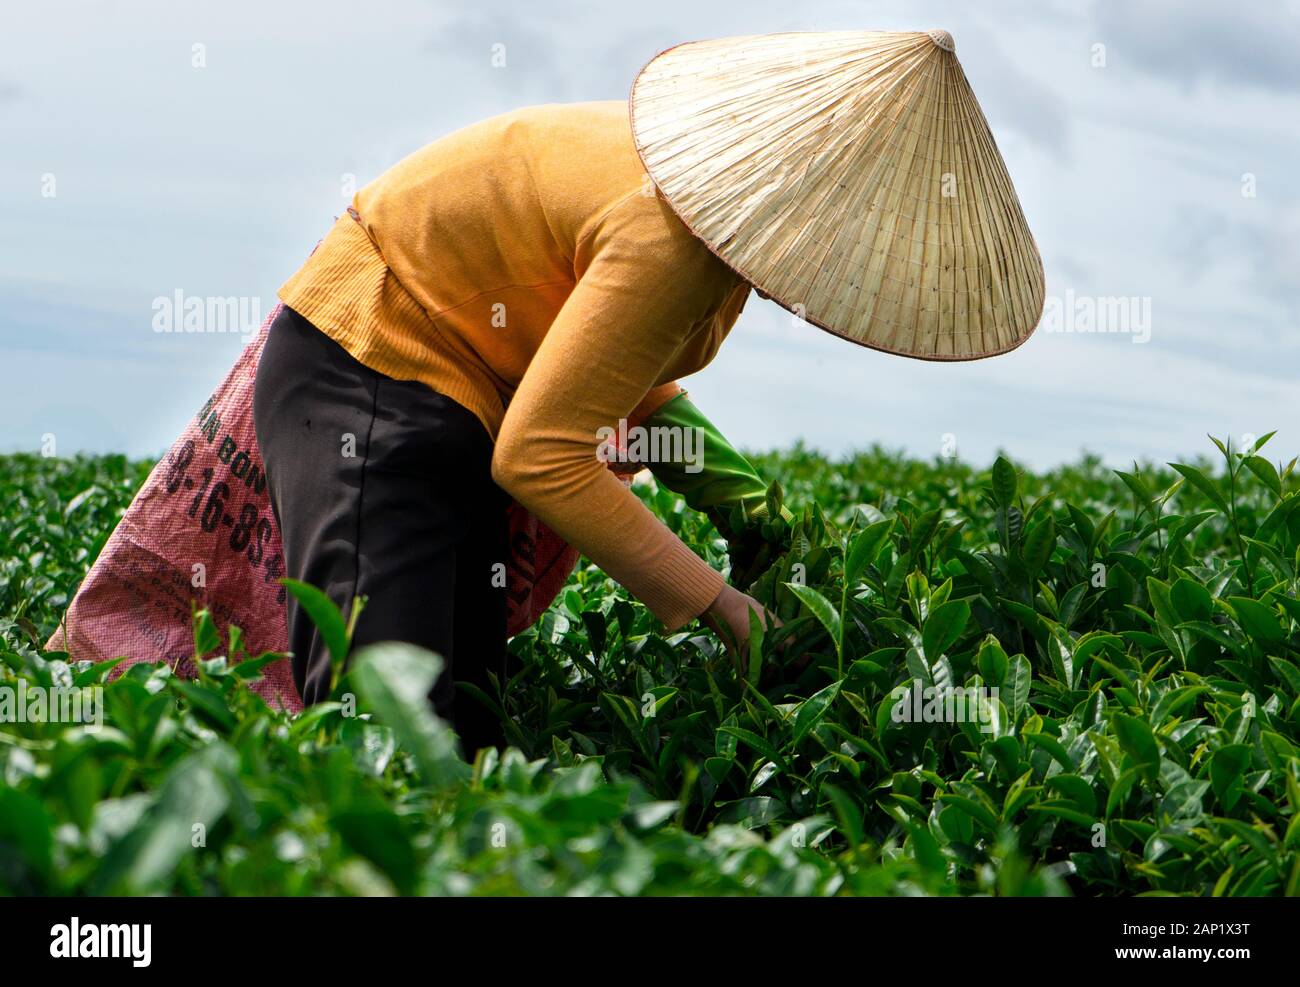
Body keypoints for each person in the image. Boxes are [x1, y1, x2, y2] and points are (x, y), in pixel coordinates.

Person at [253, 29, 1044, 755]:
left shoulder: (711, 232)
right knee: (390, 729)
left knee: (470, 723)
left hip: (461, 399)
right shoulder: (669, 233)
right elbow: (541, 456)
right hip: (366, 372)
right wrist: (722, 605)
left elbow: (614, 368)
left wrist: (741, 502)